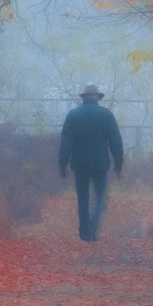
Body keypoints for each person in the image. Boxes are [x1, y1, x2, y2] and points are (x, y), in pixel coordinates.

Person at [58, 84, 124, 241]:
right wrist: (118, 164)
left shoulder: (73, 115)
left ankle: (84, 232)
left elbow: (66, 142)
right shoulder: (106, 115)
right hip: (100, 164)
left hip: (79, 164)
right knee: (101, 197)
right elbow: (115, 141)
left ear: (84, 98)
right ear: (97, 98)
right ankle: (93, 225)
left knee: (83, 198)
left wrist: (63, 163)